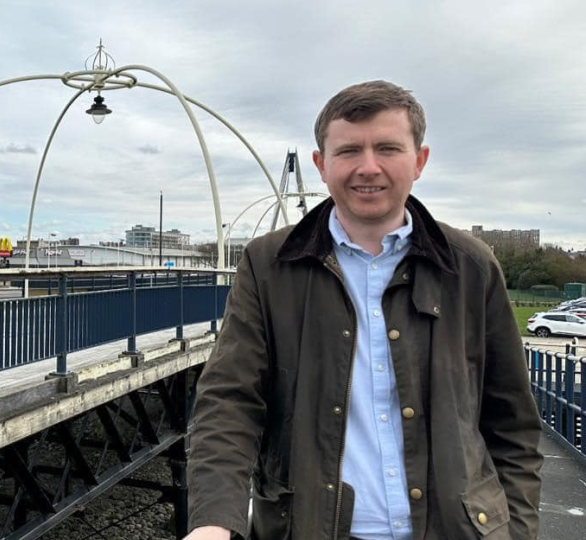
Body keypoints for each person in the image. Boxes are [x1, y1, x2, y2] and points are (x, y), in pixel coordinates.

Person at [184, 81, 542, 540]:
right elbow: (229, 403)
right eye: (349, 150)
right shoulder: (268, 265)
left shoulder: (471, 267)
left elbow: (511, 424)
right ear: (321, 164)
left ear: (420, 160)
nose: (368, 167)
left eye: (388, 148)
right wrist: (215, 521)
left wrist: (516, 531)